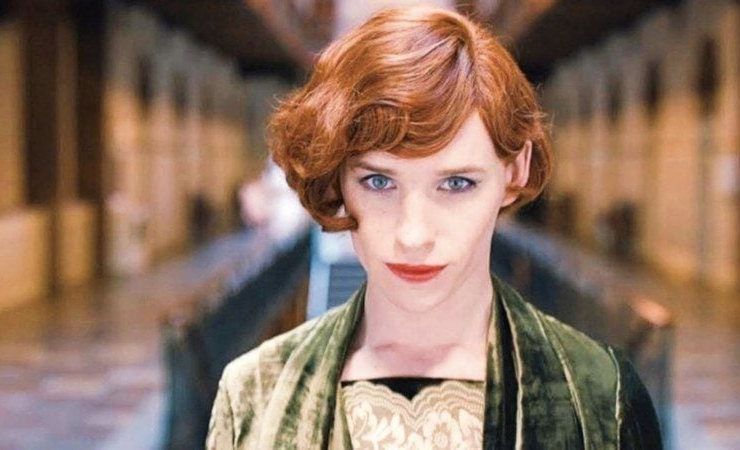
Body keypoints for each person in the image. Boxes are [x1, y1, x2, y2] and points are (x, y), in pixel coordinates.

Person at [206, 6, 662, 449]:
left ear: (515, 170)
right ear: (338, 179)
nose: (413, 235)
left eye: (457, 183)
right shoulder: (252, 394)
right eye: (379, 181)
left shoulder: (603, 397)